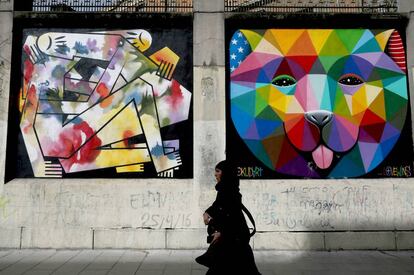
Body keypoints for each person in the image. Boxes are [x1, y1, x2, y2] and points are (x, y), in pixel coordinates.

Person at [197, 160, 261, 275]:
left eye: (218, 171)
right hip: (233, 241)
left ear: (225, 173)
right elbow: (218, 205)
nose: (215, 174)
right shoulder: (226, 189)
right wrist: (207, 212)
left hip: (233, 241)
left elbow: (232, 216)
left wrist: (221, 232)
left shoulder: (228, 191)